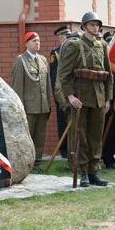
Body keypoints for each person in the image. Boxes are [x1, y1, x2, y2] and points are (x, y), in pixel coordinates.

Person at [58, 11, 113, 187]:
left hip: (98, 97)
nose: (95, 28)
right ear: (84, 27)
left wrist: (108, 98)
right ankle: (83, 172)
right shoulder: (74, 45)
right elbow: (64, 74)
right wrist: (70, 95)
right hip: (81, 97)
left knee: (96, 136)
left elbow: (108, 74)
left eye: (97, 25)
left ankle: (94, 170)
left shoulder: (102, 45)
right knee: (80, 135)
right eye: (91, 25)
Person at [11, 32, 52, 166]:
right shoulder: (21, 60)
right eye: (34, 41)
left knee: (40, 135)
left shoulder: (43, 60)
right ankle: (27, 161)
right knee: (28, 135)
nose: (37, 43)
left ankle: (38, 160)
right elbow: (18, 86)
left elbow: (47, 84)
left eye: (39, 41)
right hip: (29, 107)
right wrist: (20, 107)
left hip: (42, 106)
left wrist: (48, 104)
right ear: (27, 43)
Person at [50, 25, 72, 158]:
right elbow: (54, 79)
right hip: (62, 95)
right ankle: (64, 151)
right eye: (65, 36)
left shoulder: (72, 51)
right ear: (60, 38)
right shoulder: (56, 53)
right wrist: (61, 99)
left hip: (73, 94)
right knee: (63, 123)